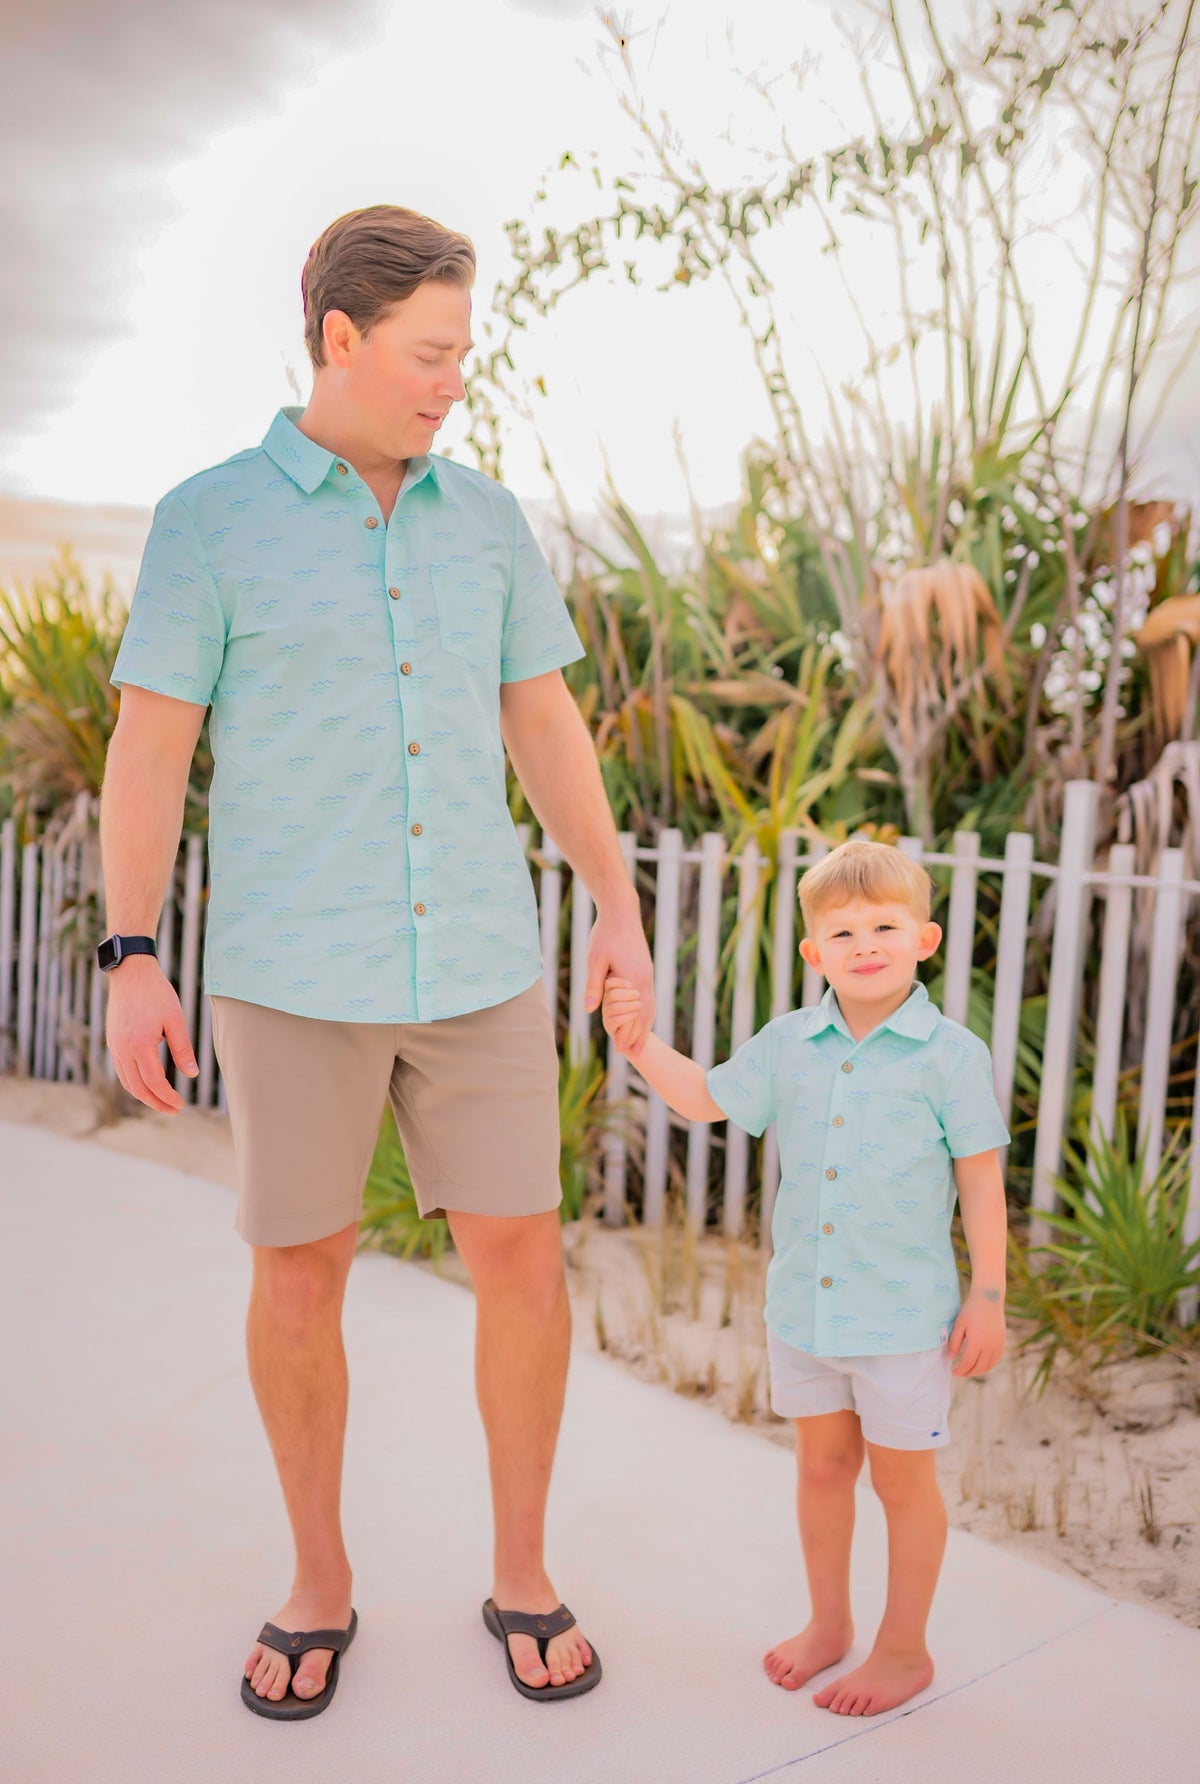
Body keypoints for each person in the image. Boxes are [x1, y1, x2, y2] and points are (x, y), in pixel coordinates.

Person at [99, 204, 655, 1717]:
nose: (449, 382)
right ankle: (317, 1582)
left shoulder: (485, 520)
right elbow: (151, 749)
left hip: (478, 957)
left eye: (463, 354)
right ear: (338, 340)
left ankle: (523, 1573)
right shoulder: (209, 519)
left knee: (522, 1265)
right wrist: (130, 953)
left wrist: (614, 899)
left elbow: (542, 719)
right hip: (292, 968)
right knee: (300, 1277)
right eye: (427, 352)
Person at [602, 837, 1009, 1717]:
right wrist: (638, 1047)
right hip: (806, 1311)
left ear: (925, 940)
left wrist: (988, 1293)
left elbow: (980, 1177)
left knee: (903, 1483)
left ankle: (904, 1650)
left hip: (904, 1320)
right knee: (822, 1469)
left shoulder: (950, 1055)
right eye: (846, 931)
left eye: (886, 927)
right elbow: (707, 1097)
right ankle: (830, 1624)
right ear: (813, 953)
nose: (867, 944)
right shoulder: (790, 1044)